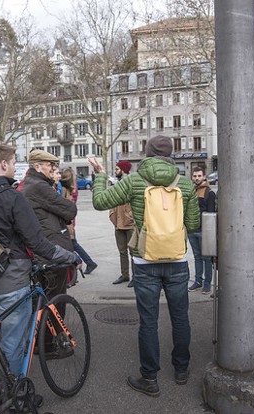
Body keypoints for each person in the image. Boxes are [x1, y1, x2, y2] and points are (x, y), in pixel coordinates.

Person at [0, 143, 76, 402]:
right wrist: (69, 256)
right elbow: (38, 243)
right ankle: (16, 396)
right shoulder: (12, 197)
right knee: (13, 342)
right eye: (13, 162)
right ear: (3, 165)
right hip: (11, 280)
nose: (15, 167)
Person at [89, 135, 200, 397]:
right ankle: (181, 370)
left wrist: (101, 175)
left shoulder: (135, 181)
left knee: (148, 321)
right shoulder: (184, 184)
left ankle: (149, 378)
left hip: (144, 260)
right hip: (177, 260)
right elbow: (194, 225)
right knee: (180, 317)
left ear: (148, 154)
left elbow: (99, 202)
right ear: (171, 154)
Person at [20, 150, 77, 301]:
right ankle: (53, 325)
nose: (53, 168)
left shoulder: (33, 183)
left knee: (45, 301)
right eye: (50, 164)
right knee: (55, 302)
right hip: (51, 254)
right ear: (37, 167)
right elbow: (70, 210)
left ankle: (46, 324)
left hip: (44, 251)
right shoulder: (39, 186)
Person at [60, 167, 98, 279]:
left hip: (68, 221)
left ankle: (87, 262)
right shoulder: (73, 188)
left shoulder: (65, 189)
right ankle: (88, 263)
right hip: (71, 220)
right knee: (73, 243)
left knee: (72, 243)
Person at [187, 166, 216, 295]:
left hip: (204, 231)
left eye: (199, 176)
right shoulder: (191, 191)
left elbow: (210, 215)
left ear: (204, 177)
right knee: (197, 257)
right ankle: (198, 281)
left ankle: (207, 283)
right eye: (195, 176)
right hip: (192, 230)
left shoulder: (209, 193)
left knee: (206, 258)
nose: (197, 178)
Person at [109, 161, 135, 287]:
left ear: (123, 170)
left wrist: (131, 216)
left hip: (130, 224)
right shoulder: (117, 183)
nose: (115, 171)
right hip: (118, 223)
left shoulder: (131, 183)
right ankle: (125, 275)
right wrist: (112, 215)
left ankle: (136, 276)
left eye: (117, 169)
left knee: (133, 251)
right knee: (122, 251)